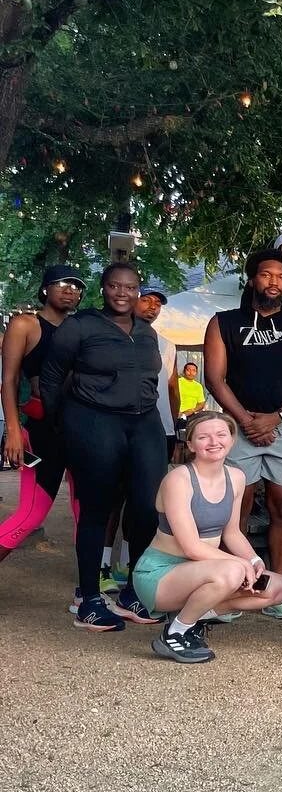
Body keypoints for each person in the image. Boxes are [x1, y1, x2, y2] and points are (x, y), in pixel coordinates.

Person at [40, 262, 166, 632]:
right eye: (114, 286)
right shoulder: (81, 326)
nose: (122, 293)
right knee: (98, 507)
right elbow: (50, 377)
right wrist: (61, 422)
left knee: (147, 507)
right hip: (94, 419)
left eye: (130, 287)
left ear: (138, 291)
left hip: (143, 423)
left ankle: (134, 593)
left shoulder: (146, 332)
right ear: (103, 288)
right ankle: (90, 598)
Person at [204, 248, 282, 619]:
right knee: (236, 506)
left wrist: (275, 418)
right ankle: (234, 585)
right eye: (267, 275)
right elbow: (215, 378)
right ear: (253, 279)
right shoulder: (223, 322)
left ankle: (277, 588)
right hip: (238, 428)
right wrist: (248, 422)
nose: (274, 282)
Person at [133, 412, 282, 663]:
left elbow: (231, 532)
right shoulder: (178, 479)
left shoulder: (236, 477)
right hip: (161, 575)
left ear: (231, 439)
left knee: (280, 588)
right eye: (203, 437)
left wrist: (252, 560)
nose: (213, 442)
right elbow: (191, 547)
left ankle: (192, 617)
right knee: (231, 572)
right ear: (191, 444)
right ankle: (175, 633)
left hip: (204, 571)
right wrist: (240, 565)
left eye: (221, 435)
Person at [0, 264, 83, 564]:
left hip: (79, 430)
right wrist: (12, 431)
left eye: (76, 285)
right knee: (30, 514)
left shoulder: (82, 328)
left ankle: (88, 588)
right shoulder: (26, 325)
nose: (70, 289)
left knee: (85, 511)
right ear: (45, 288)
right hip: (39, 430)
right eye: (62, 283)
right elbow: (8, 380)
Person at [135, 285, 182, 461]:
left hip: (162, 427)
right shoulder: (113, 338)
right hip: (122, 425)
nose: (153, 306)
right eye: (146, 300)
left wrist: (174, 424)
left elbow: (173, 388)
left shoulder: (167, 345)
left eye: (158, 303)